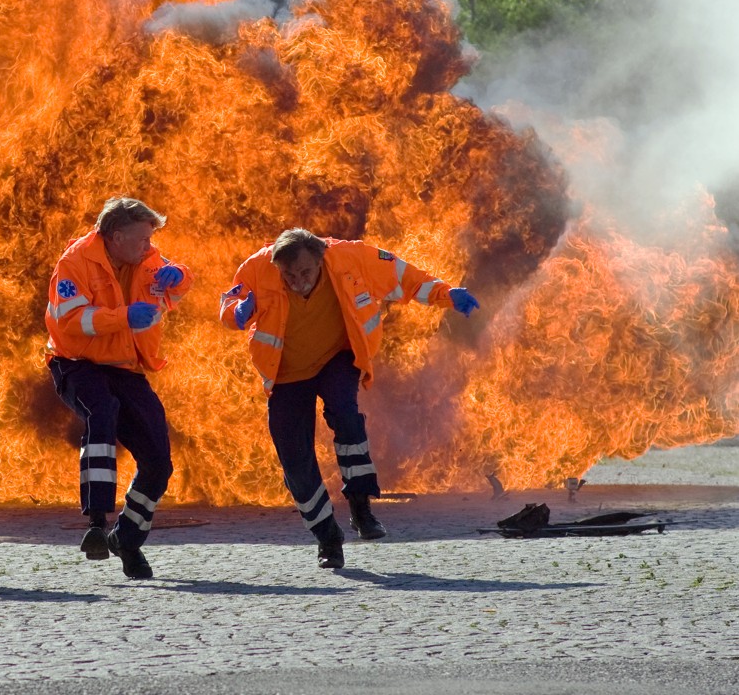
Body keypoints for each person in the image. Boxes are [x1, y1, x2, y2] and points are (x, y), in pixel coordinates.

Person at [219, 228, 479, 569]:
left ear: (321, 259)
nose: (298, 282)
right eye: (289, 275)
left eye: (305, 272)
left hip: (337, 357)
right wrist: (238, 313)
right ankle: (327, 538)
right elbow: (228, 305)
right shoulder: (257, 267)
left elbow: (404, 277)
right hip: (285, 372)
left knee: (346, 414)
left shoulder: (351, 257)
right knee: (294, 460)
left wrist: (447, 294)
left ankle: (360, 506)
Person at [44, 197, 193, 579]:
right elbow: (71, 320)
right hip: (76, 363)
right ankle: (96, 520)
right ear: (115, 237)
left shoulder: (145, 258)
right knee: (102, 411)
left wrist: (179, 276)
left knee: (159, 462)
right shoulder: (75, 263)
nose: (149, 247)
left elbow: (172, 291)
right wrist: (124, 317)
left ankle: (126, 538)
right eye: (143, 239)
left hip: (126, 367)